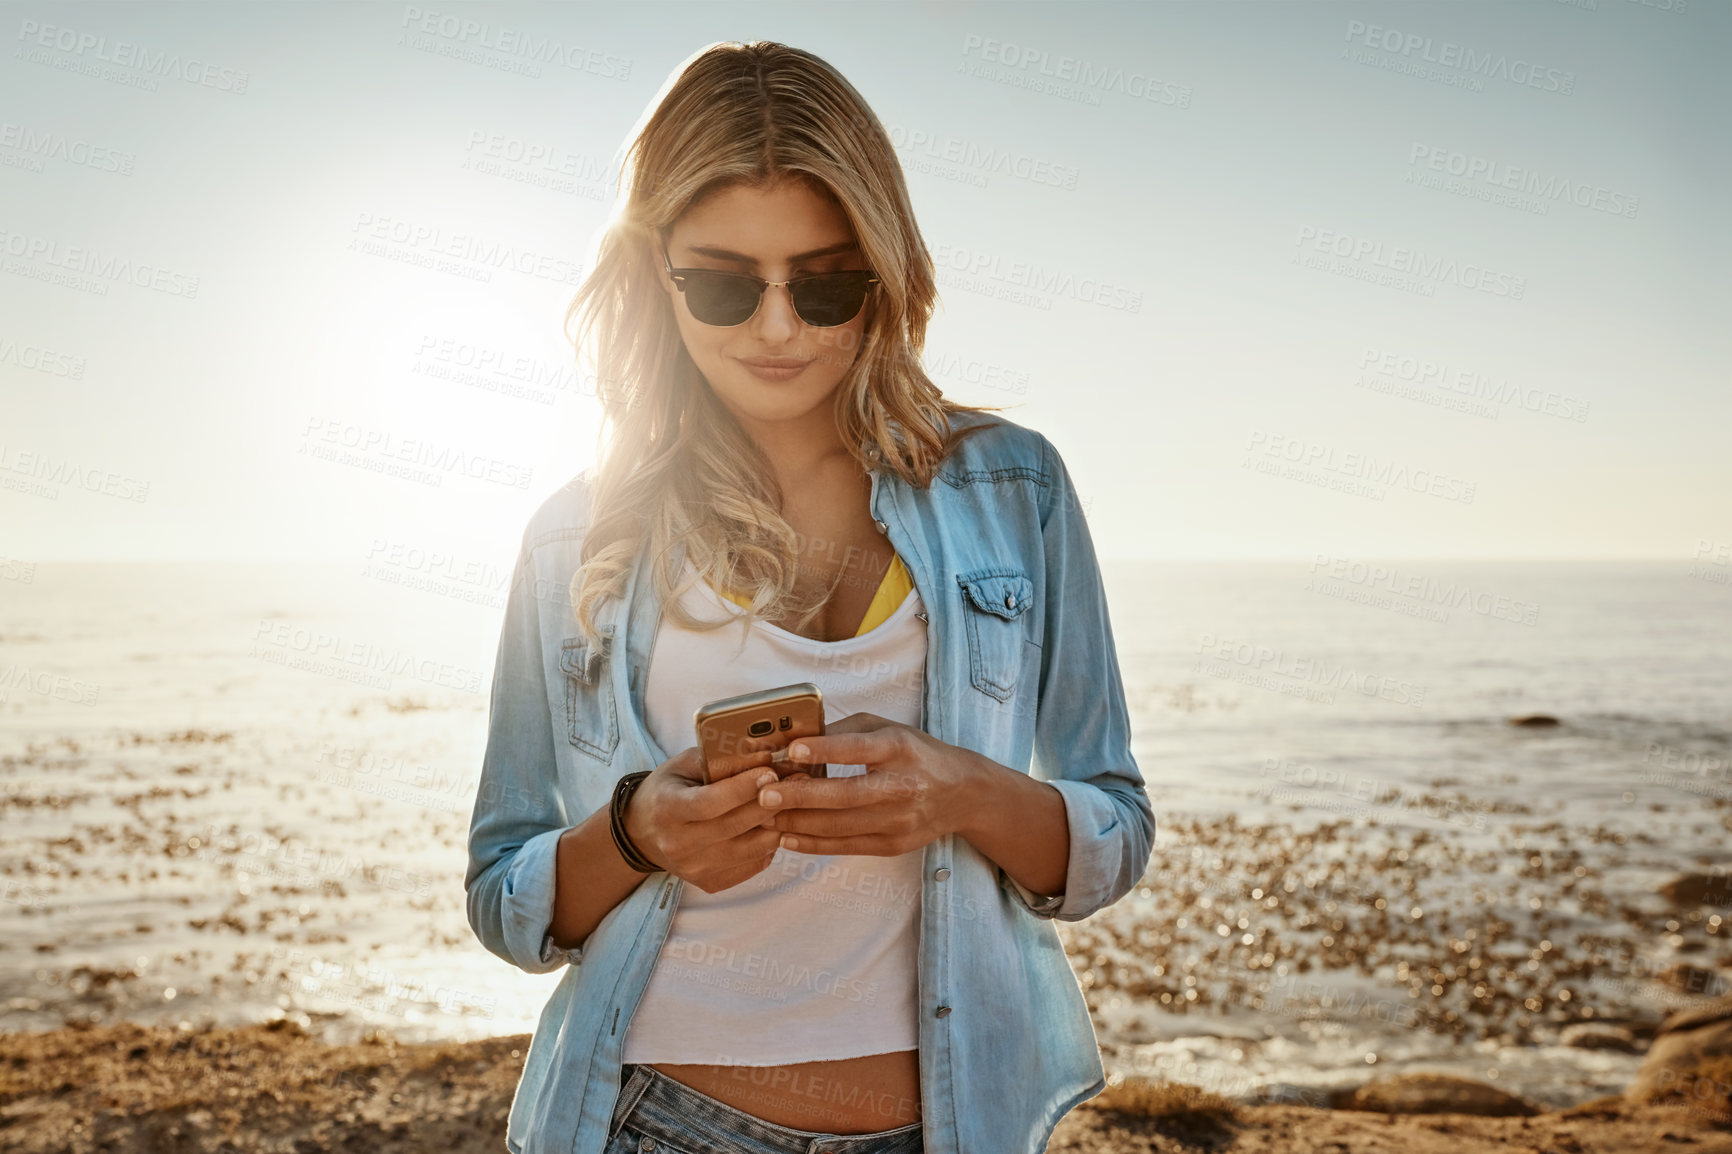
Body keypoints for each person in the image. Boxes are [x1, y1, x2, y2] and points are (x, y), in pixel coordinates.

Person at [465, 39, 1155, 1154]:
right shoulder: (573, 536)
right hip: (654, 1122)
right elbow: (506, 894)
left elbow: (1113, 831)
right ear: (655, 274)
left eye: (826, 281)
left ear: (886, 271)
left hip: (952, 1122)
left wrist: (964, 792)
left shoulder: (1014, 487)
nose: (778, 328)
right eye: (726, 283)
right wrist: (641, 832)